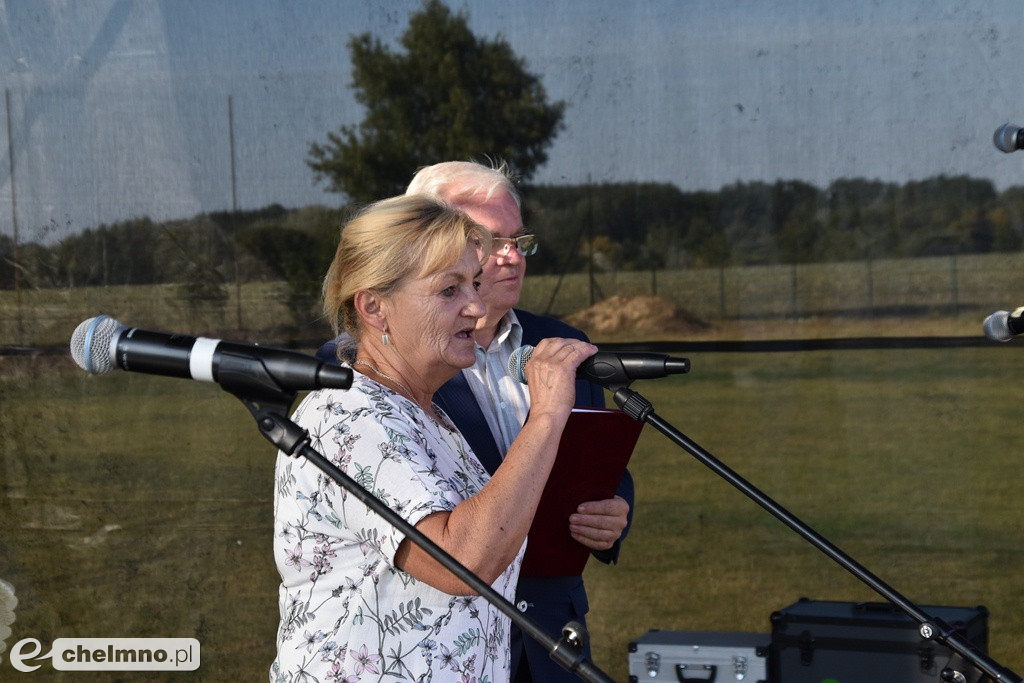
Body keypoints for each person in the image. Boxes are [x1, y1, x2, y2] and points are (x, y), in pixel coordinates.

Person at [318, 161, 635, 683]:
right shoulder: (356, 389)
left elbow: (591, 457)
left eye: (519, 240)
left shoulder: (557, 343)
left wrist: (614, 503)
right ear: (376, 307)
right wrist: (546, 417)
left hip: (542, 631)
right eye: (486, 241)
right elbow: (459, 555)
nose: (508, 258)